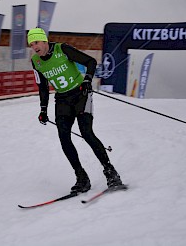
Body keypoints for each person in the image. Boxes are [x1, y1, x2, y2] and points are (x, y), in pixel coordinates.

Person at [28, 27, 125, 194]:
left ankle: (110, 172)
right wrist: (43, 109)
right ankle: (81, 177)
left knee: (86, 132)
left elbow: (90, 62)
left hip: (81, 94)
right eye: (31, 44)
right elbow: (42, 87)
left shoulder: (62, 49)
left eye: (36, 42)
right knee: (63, 137)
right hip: (62, 99)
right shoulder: (36, 61)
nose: (34, 47)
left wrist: (87, 80)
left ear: (44, 40)